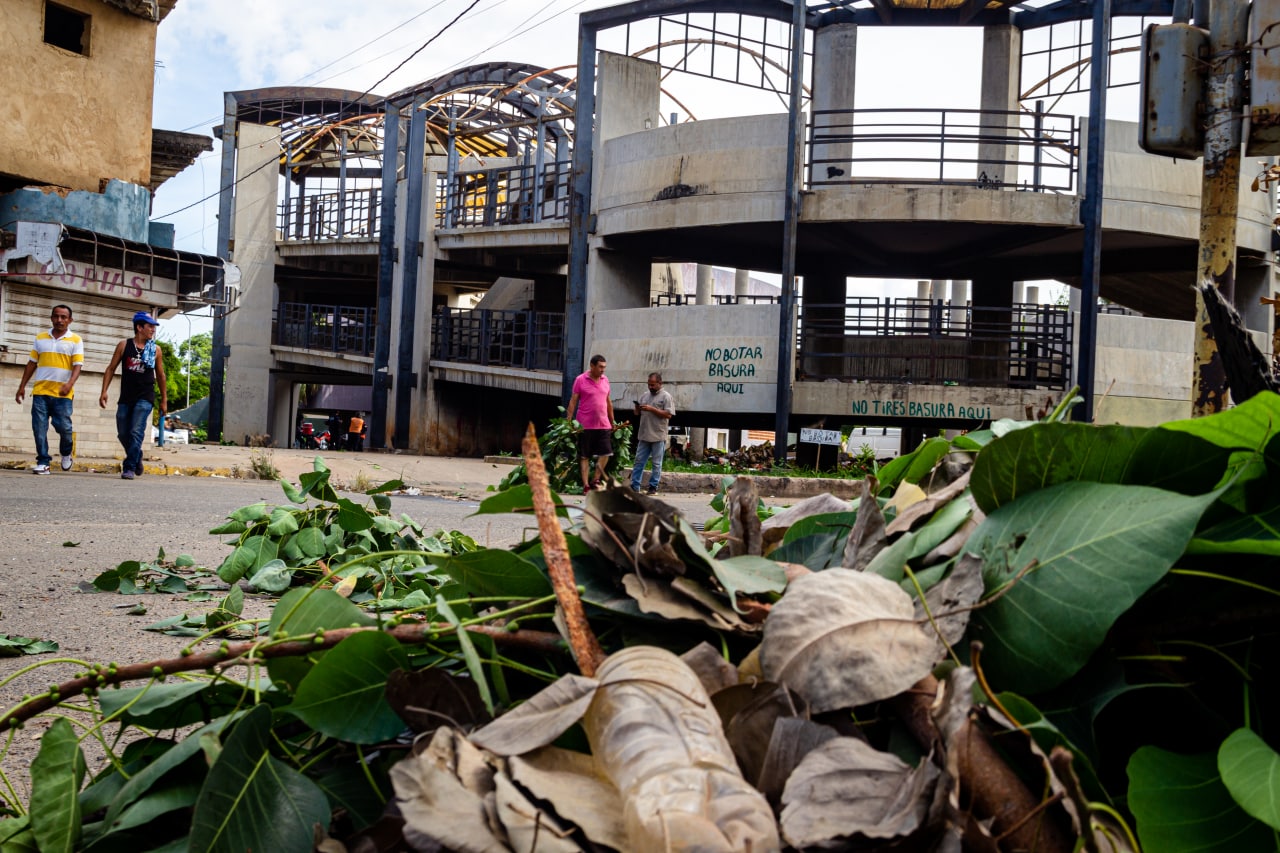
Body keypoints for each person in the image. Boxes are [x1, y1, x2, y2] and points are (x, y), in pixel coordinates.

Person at [14, 304, 83, 474]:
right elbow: (32, 363)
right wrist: (22, 386)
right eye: (56, 316)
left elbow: (77, 365)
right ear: (51, 318)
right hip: (40, 392)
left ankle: (66, 452)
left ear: (70, 320)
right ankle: (43, 461)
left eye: (63, 317)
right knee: (39, 428)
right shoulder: (40, 338)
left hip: (63, 394)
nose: (59, 320)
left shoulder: (75, 340)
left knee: (64, 428)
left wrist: (70, 384)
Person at [99, 311, 167, 480]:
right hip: (126, 397)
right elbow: (110, 368)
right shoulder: (124, 345)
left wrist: (164, 400)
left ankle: (128, 467)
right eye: (149, 326)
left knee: (136, 432)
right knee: (123, 433)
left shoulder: (155, 349)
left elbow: (160, 375)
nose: (153, 330)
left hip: (145, 397)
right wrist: (104, 391)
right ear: (139, 327)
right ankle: (137, 455)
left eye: (154, 327)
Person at [566, 354, 615, 492]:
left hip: (603, 423)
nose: (602, 370)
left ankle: (596, 479)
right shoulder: (580, 380)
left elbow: (608, 402)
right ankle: (586, 485)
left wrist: (612, 421)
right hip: (585, 425)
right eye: (600, 367)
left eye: (604, 367)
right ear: (592, 366)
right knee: (584, 456)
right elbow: (573, 400)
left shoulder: (605, 380)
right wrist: (569, 421)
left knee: (606, 453)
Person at [630, 372, 675, 495]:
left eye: (653, 385)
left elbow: (668, 414)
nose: (650, 387)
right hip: (644, 434)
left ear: (660, 383)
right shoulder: (645, 396)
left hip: (658, 435)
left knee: (656, 463)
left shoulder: (666, 397)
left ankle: (653, 487)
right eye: (649, 384)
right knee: (639, 461)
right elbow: (636, 414)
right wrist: (637, 408)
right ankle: (634, 486)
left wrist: (652, 409)